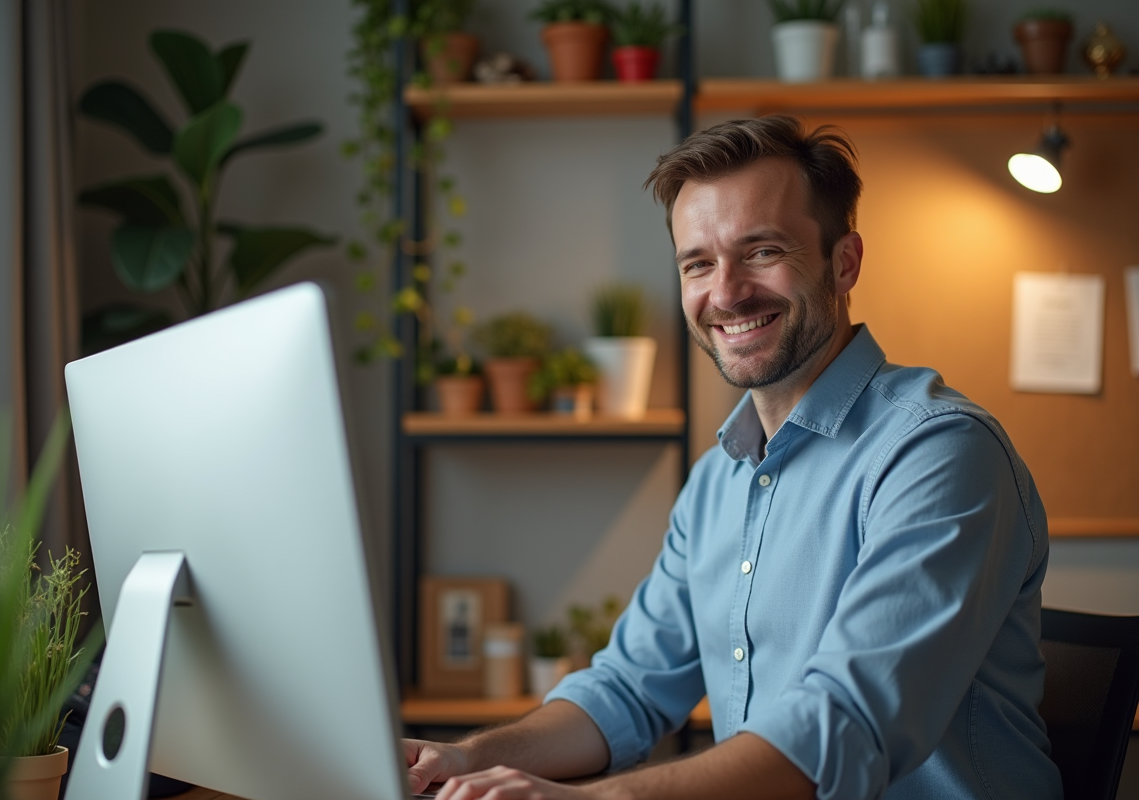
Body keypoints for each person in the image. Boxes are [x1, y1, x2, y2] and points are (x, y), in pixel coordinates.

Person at [404, 116, 1060, 800]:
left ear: (845, 261)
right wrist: (464, 759)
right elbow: (627, 688)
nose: (725, 292)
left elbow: (842, 724)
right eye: (698, 263)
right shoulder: (720, 478)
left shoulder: (938, 452)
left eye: (762, 250)